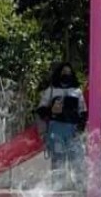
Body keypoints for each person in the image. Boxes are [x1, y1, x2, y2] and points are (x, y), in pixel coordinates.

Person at [36, 62, 86, 190]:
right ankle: (58, 187)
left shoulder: (77, 91)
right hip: (56, 130)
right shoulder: (51, 90)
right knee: (58, 159)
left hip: (73, 130)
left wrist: (81, 127)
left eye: (69, 73)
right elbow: (41, 110)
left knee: (77, 158)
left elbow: (83, 111)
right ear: (59, 74)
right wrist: (51, 110)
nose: (66, 75)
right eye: (64, 72)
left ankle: (79, 186)